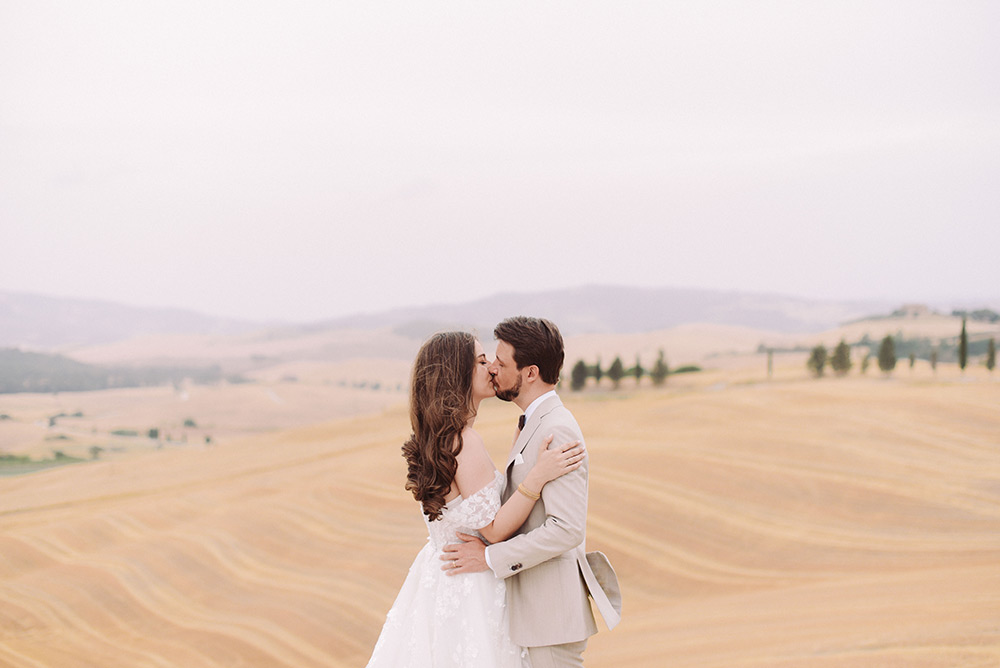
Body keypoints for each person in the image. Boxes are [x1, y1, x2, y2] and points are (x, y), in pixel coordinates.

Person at [365, 331, 586, 668]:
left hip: (442, 580)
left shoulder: (438, 438)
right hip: (473, 587)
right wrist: (538, 476)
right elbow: (494, 530)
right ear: (458, 374)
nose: (492, 368)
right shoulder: (465, 441)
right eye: (482, 361)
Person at [440, 316, 622, 668]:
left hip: (549, 618)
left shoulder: (557, 429)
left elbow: (566, 529)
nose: (493, 369)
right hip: (534, 615)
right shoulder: (532, 422)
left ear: (530, 373)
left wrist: (490, 558)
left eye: (502, 363)